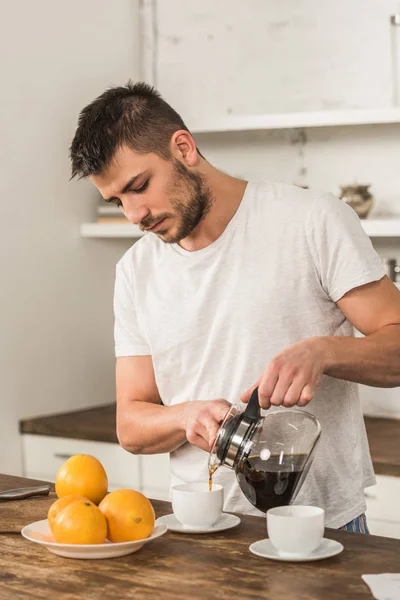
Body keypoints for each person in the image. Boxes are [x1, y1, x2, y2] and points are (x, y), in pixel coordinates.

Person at [70, 81, 400, 532]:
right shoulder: (135, 271)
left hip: (322, 526)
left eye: (139, 186)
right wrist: (185, 416)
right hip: (198, 532)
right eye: (117, 201)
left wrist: (324, 352)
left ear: (183, 147)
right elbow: (131, 423)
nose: (134, 215)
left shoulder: (311, 220)